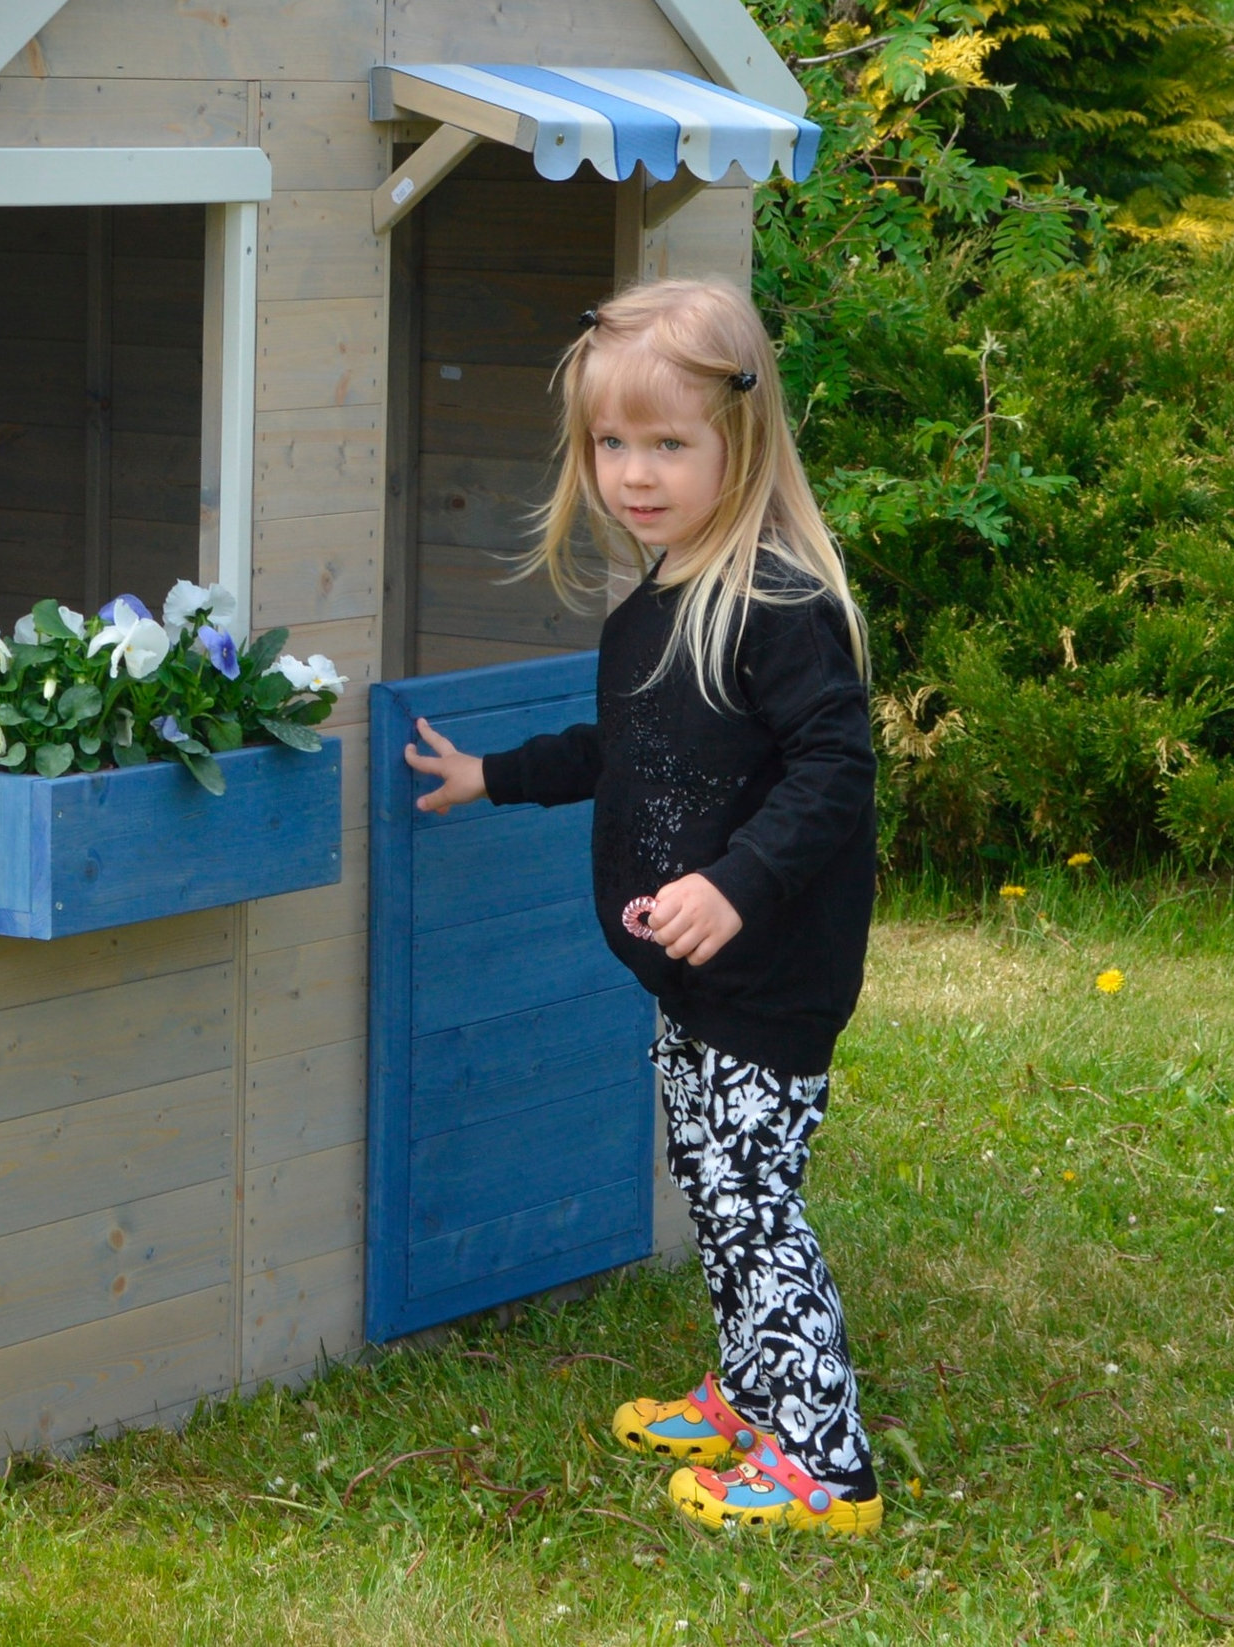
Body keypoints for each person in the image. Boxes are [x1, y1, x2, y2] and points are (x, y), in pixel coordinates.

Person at [403, 278, 883, 1537]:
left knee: (747, 1203)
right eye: (610, 443)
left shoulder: (775, 605)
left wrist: (733, 887)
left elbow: (835, 771)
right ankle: (750, 1394)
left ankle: (823, 1464)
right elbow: (619, 755)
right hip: (688, 980)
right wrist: (490, 776)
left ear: (741, 438)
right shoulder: (652, 609)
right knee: (709, 1179)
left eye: (667, 442)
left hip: (769, 975)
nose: (633, 472)